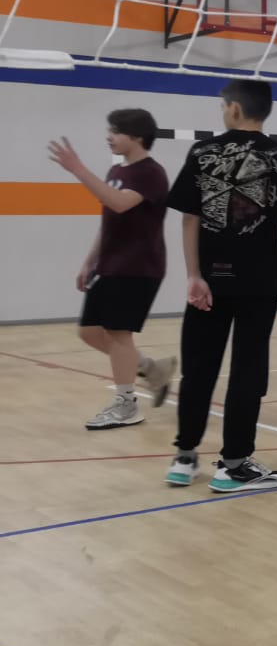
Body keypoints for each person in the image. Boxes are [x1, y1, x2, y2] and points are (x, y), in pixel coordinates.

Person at [163, 80, 277, 492]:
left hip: (209, 282)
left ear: (234, 108)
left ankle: (184, 457)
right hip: (258, 283)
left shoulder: (201, 152)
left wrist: (194, 274)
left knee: (198, 369)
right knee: (248, 371)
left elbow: (190, 218)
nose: (222, 111)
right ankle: (233, 465)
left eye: (222, 106)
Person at [47, 110, 176, 429]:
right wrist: (90, 260)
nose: (109, 136)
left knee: (119, 334)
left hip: (138, 266)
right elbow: (110, 219)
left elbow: (119, 202)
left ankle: (126, 405)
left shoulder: (151, 173)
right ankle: (151, 369)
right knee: (89, 331)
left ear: (137, 137)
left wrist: (78, 169)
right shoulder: (117, 169)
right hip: (111, 264)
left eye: (116, 131)